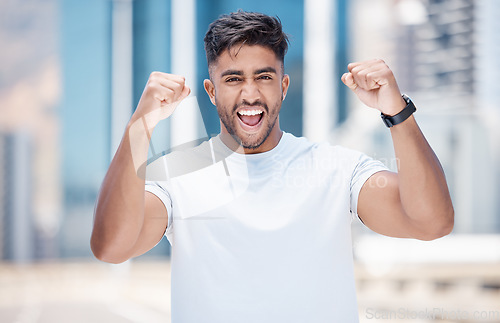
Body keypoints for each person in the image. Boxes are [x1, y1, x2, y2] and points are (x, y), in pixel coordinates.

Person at [91, 10, 454, 323]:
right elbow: (111, 248)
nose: (250, 94)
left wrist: (397, 112)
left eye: (263, 77)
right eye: (233, 79)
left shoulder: (335, 168)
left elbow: (432, 222)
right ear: (212, 91)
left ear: (283, 86)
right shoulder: (177, 176)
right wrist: (139, 127)